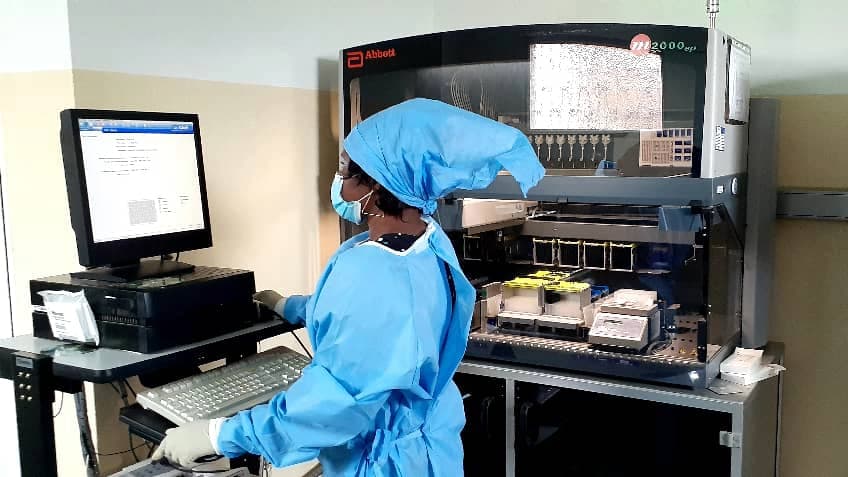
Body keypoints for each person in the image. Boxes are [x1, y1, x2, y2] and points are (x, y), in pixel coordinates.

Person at [152, 98, 544, 476]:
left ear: (374, 184)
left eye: (343, 167)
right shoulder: (427, 242)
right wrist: (291, 306)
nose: (337, 179)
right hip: (428, 447)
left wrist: (219, 435)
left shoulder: (376, 273)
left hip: (386, 463)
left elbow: (334, 405)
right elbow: (385, 328)